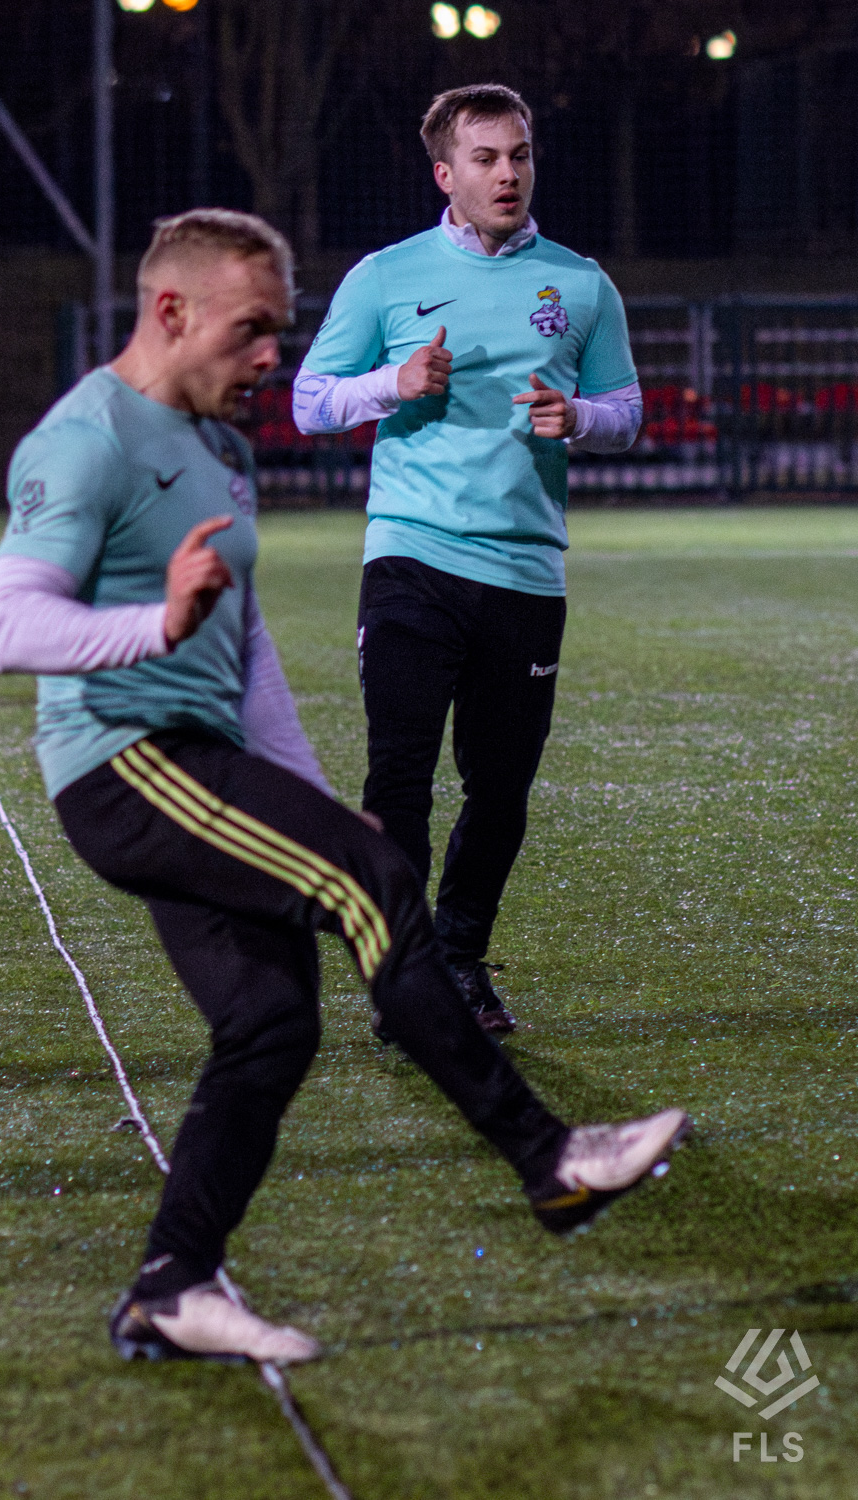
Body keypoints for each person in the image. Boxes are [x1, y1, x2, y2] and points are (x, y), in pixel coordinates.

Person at [0, 208, 686, 1367]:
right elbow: (7, 628)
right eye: (251, 331)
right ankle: (548, 1156)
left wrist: (308, 790)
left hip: (201, 762)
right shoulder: (88, 439)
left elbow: (248, 650)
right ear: (172, 311)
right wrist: (153, 625)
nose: (273, 358)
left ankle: (172, 1284)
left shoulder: (222, 452)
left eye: (281, 331)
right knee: (380, 886)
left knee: (272, 1021)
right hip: (128, 761)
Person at [293, 85, 643, 1036]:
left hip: (525, 573)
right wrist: (391, 383)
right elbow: (309, 400)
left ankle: (459, 956)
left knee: (500, 789)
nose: (508, 173)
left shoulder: (580, 284)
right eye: (486, 158)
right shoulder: (384, 277)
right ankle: (404, 973)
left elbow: (626, 412)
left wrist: (579, 418)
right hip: (411, 556)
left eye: (519, 155)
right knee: (398, 774)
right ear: (445, 174)